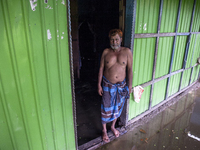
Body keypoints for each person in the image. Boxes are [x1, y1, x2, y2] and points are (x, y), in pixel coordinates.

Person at [98, 29, 133, 142]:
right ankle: (104, 130)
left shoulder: (127, 52)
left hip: (121, 86)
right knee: (105, 107)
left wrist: (130, 86)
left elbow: (130, 70)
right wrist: (99, 85)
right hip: (107, 85)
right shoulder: (106, 52)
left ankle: (112, 126)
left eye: (116, 39)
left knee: (117, 108)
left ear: (121, 40)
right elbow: (101, 68)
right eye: (112, 40)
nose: (114, 42)